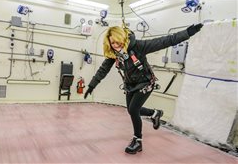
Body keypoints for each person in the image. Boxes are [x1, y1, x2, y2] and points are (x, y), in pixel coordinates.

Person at [84, 23, 203, 154]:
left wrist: (187, 33)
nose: (116, 45)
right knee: (131, 110)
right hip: (130, 85)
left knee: (134, 109)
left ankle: (137, 141)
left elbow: (165, 41)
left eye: (118, 42)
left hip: (146, 82)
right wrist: (92, 85)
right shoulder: (114, 54)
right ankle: (155, 113)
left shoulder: (139, 46)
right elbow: (103, 70)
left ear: (123, 38)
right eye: (112, 43)